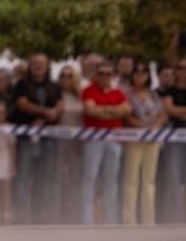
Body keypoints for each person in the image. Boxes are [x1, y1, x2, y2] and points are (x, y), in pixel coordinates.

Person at [10, 52, 62, 223]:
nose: (38, 67)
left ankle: (42, 215)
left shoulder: (55, 86)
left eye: (41, 63)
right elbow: (22, 104)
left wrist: (50, 114)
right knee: (23, 177)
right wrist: (46, 112)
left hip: (48, 139)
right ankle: (22, 214)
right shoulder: (21, 85)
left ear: (47, 67)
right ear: (30, 66)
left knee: (45, 177)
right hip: (25, 138)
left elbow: (60, 107)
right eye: (35, 63)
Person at [80, 61, 129, 224]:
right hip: (94, 140)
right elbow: (90, 110)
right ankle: (88, 219)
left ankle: (110, 219)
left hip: (114, 141)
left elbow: (126, 110)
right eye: (101, 73)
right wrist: (113, 110)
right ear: (96, 75)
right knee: (90, 178)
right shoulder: (88, 90)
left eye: (108, 74)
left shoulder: (118, 92)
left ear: (113, 76)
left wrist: (103, 110)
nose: (104, 77)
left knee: (111, 180)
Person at [119, 63, 165, 225]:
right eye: (136, 72)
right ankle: (129, 220)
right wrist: (142, 127)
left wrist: (155, 128)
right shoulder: (126, 94)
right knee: (131, 180)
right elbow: (126, 116)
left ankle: (148, 220)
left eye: (143, 72)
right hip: (135, 139)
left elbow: (161, 114)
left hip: (153, 140)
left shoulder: (153, 94)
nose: (140, 75)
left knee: (149, 181)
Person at [54, 63, 87, 223]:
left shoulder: (80, 96)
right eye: (62, 75)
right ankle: (59, 215)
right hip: (59, 141)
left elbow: (84, 118)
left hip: (76, 141)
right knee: (58, 178)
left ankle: (75, 214)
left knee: (75, 178)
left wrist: (81, 139)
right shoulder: (55, 95)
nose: (65, 78)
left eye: (69, 75)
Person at [163, 58, 186, 224]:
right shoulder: (170, 90)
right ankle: (175, 218)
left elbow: (173, 110)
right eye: (181, 68)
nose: (183, 71)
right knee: (173, 178)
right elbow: (168, 109)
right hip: (173, 140)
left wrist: (177, 111)